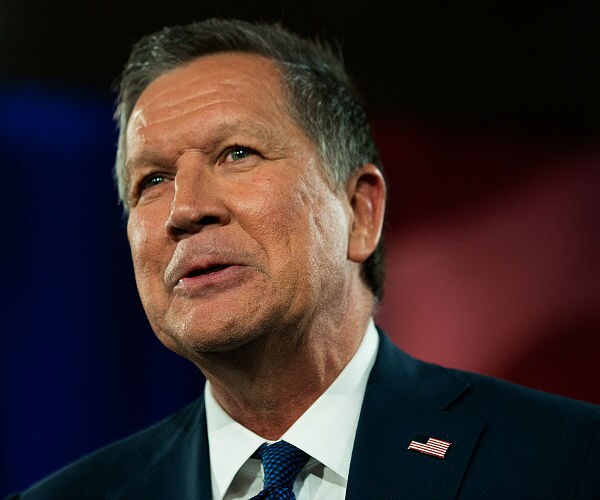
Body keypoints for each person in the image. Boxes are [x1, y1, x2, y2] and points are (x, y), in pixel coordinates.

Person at [8, 17, 600, 500]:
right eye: (153, 179)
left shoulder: (566, 461)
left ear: (360, 212)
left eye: (237, 153)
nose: (184, 209)